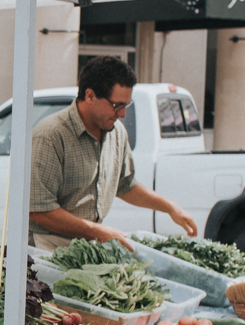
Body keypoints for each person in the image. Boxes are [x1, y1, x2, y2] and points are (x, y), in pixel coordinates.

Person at [29, 56, 198, 252]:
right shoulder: (50, 135)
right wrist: (99, 232)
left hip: (85, 244)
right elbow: (40, 210)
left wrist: (170, 208)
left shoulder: (116, 132)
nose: (123, 114)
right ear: (90, 95)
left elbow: (125, 185)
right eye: (117, 105)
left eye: (127, 105)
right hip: (45, 248)